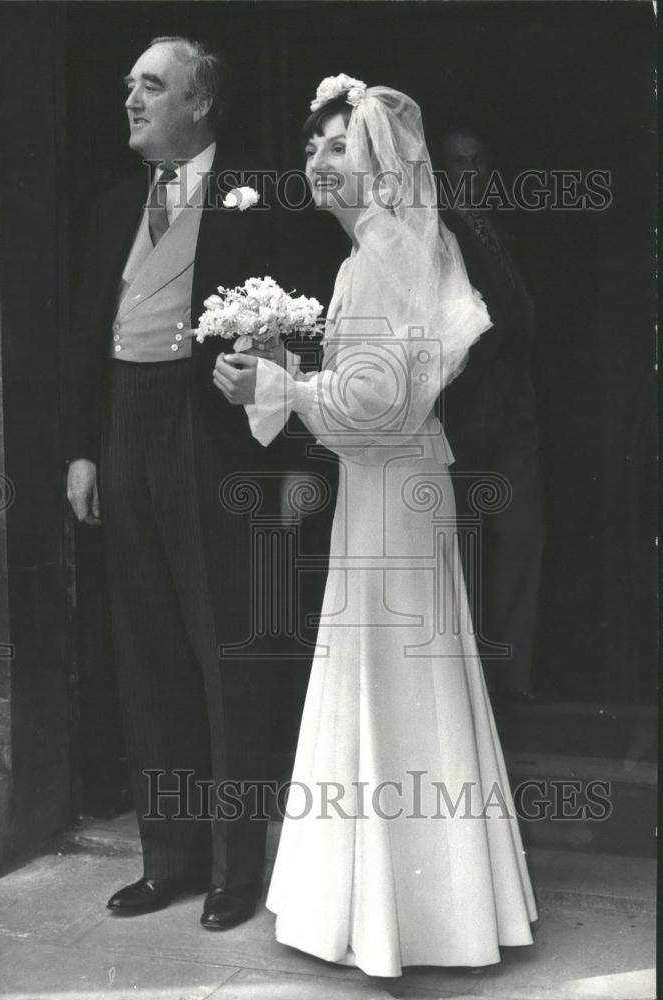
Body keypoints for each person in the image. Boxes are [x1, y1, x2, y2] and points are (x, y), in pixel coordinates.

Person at [213, 80, 537, 977]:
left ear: (379, 163)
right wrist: (289, 371)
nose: (316, 163)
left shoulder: (382, 253)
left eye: (336, 147)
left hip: (392, 487)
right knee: (392, 676)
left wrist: (276, 389)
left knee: (390, 677)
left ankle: (408, 920)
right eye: (311, 148)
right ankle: (410, 911)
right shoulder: (382, 250)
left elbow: (381, 403)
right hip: (387, 489)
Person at [63, 36, 279, 931]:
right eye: (128, 86)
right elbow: (82, 338)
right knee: (146, 645)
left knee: (224, 647)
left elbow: (305, 324)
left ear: (199, 104)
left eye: (151, 86)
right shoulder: (115, 205)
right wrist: (82, 449)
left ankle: (238, 868)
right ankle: (171, 858)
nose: (131, 99)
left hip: (212, 435)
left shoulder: (259, 198)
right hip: (126, 422)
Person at [436, 125, 544, 703]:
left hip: (514, 418)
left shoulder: (499, 230)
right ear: (442, 170)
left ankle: (513, 683)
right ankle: (477, 692)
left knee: (520, 541)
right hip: (467, 421)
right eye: (459, 162)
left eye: (479, 160)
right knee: (472, 551)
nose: (471, 172)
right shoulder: (441, 234)